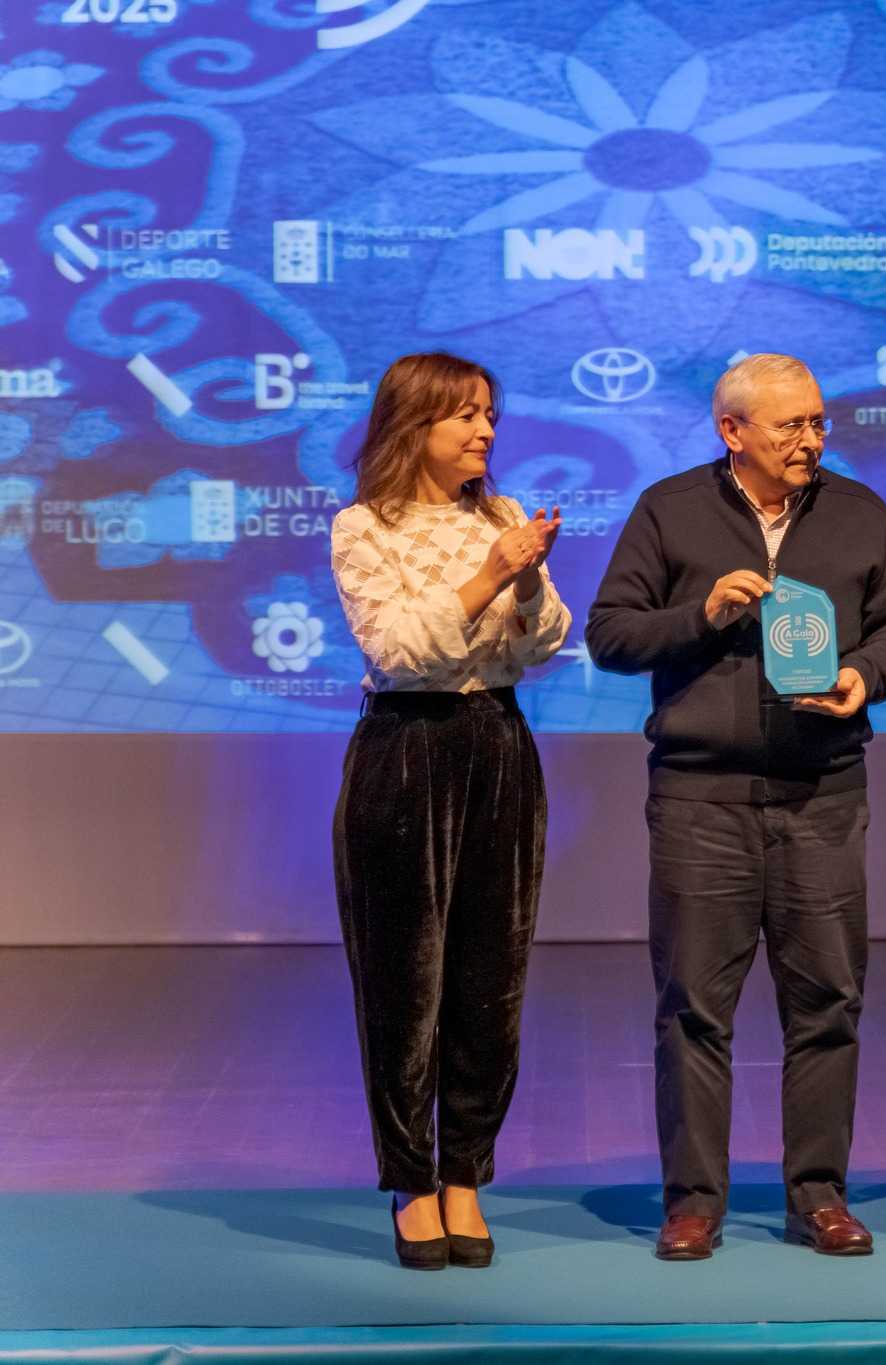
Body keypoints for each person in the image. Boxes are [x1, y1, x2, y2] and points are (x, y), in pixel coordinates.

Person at [586, 353, 886, 1262]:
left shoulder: (858, 512)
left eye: (819, 422)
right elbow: (612, 633)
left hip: (824, 793)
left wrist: (864, 675)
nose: (813, 439)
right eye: (792, 425)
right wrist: (701, 612)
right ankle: (694, 1202)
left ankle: (818, 1195)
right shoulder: (668, 509)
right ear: (732, 430)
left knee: (828, 1003)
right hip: (702, 800)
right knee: (694, 1009)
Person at [330, 351, 570, 1270]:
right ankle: (410, 1179)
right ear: (412, 426)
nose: (484, 432)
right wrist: (486, 575)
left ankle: (467, 1169)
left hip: (498, 745)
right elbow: (398, 650)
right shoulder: (365, 526)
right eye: (464, 416)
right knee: (404, 983)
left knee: (490, 976)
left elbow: (545, 640)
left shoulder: (503, 517)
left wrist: (525, 577)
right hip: (405, 751)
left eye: (489, 415)